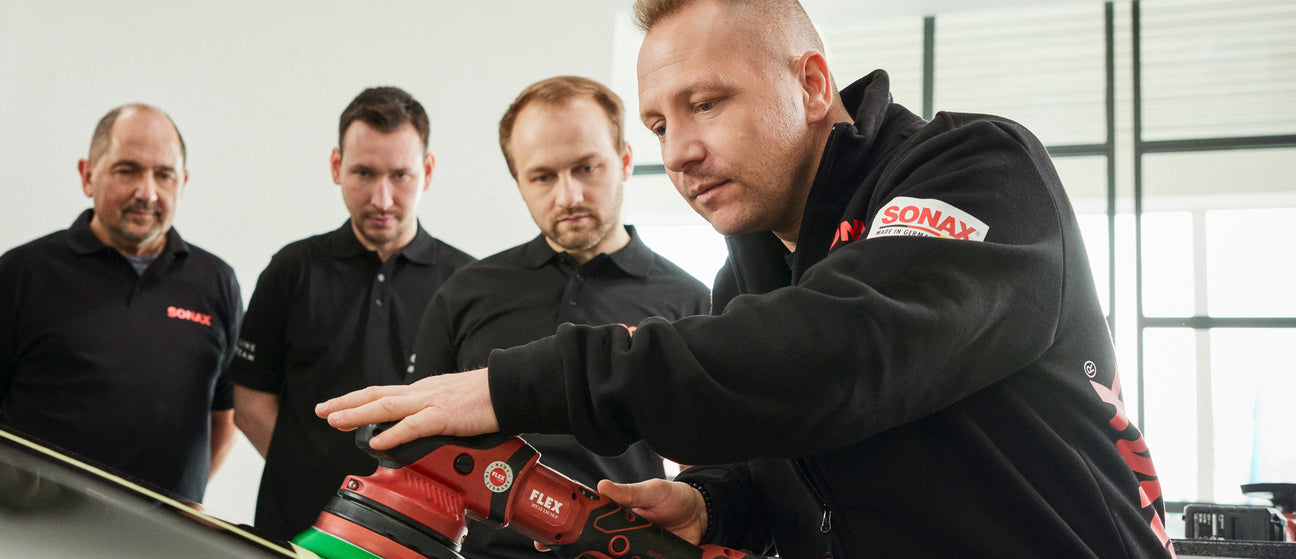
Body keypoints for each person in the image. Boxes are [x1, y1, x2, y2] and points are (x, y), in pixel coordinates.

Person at [317, 1, 1177, 557]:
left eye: (707, 103)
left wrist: (523, 383)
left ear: (811, 84)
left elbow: (844, 352)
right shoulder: (748, 280)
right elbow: (799, 471)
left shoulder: (975, 170)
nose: (679, 152)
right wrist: (714, 503)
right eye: (660, 123)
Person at [405, 76, 710, 558]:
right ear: (519, 183)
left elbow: (711, 468)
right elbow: (419, 453)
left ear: (625, 160)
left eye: (586, 167)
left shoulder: (692, 301)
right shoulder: (464, 293)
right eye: (543, 177)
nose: (569, 196)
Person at [229, 86, 476, 540]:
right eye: (364, 173)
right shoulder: (292, 268)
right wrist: (308, 473)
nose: (382, 198)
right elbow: (249, 403)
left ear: (427, 171)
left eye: (400, 176)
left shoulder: (467, 284)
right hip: (294, 527)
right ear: (336, 166)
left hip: (413, 537)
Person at [0, 104, 242, 504]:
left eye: (164, 175)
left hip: (162, 533)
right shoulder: (22, 273)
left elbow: (225, 412)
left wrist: (177, 506)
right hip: (36, 525)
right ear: (87, 175)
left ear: (183, 182)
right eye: (127, 170)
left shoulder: (215, 281)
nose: (147, 193)